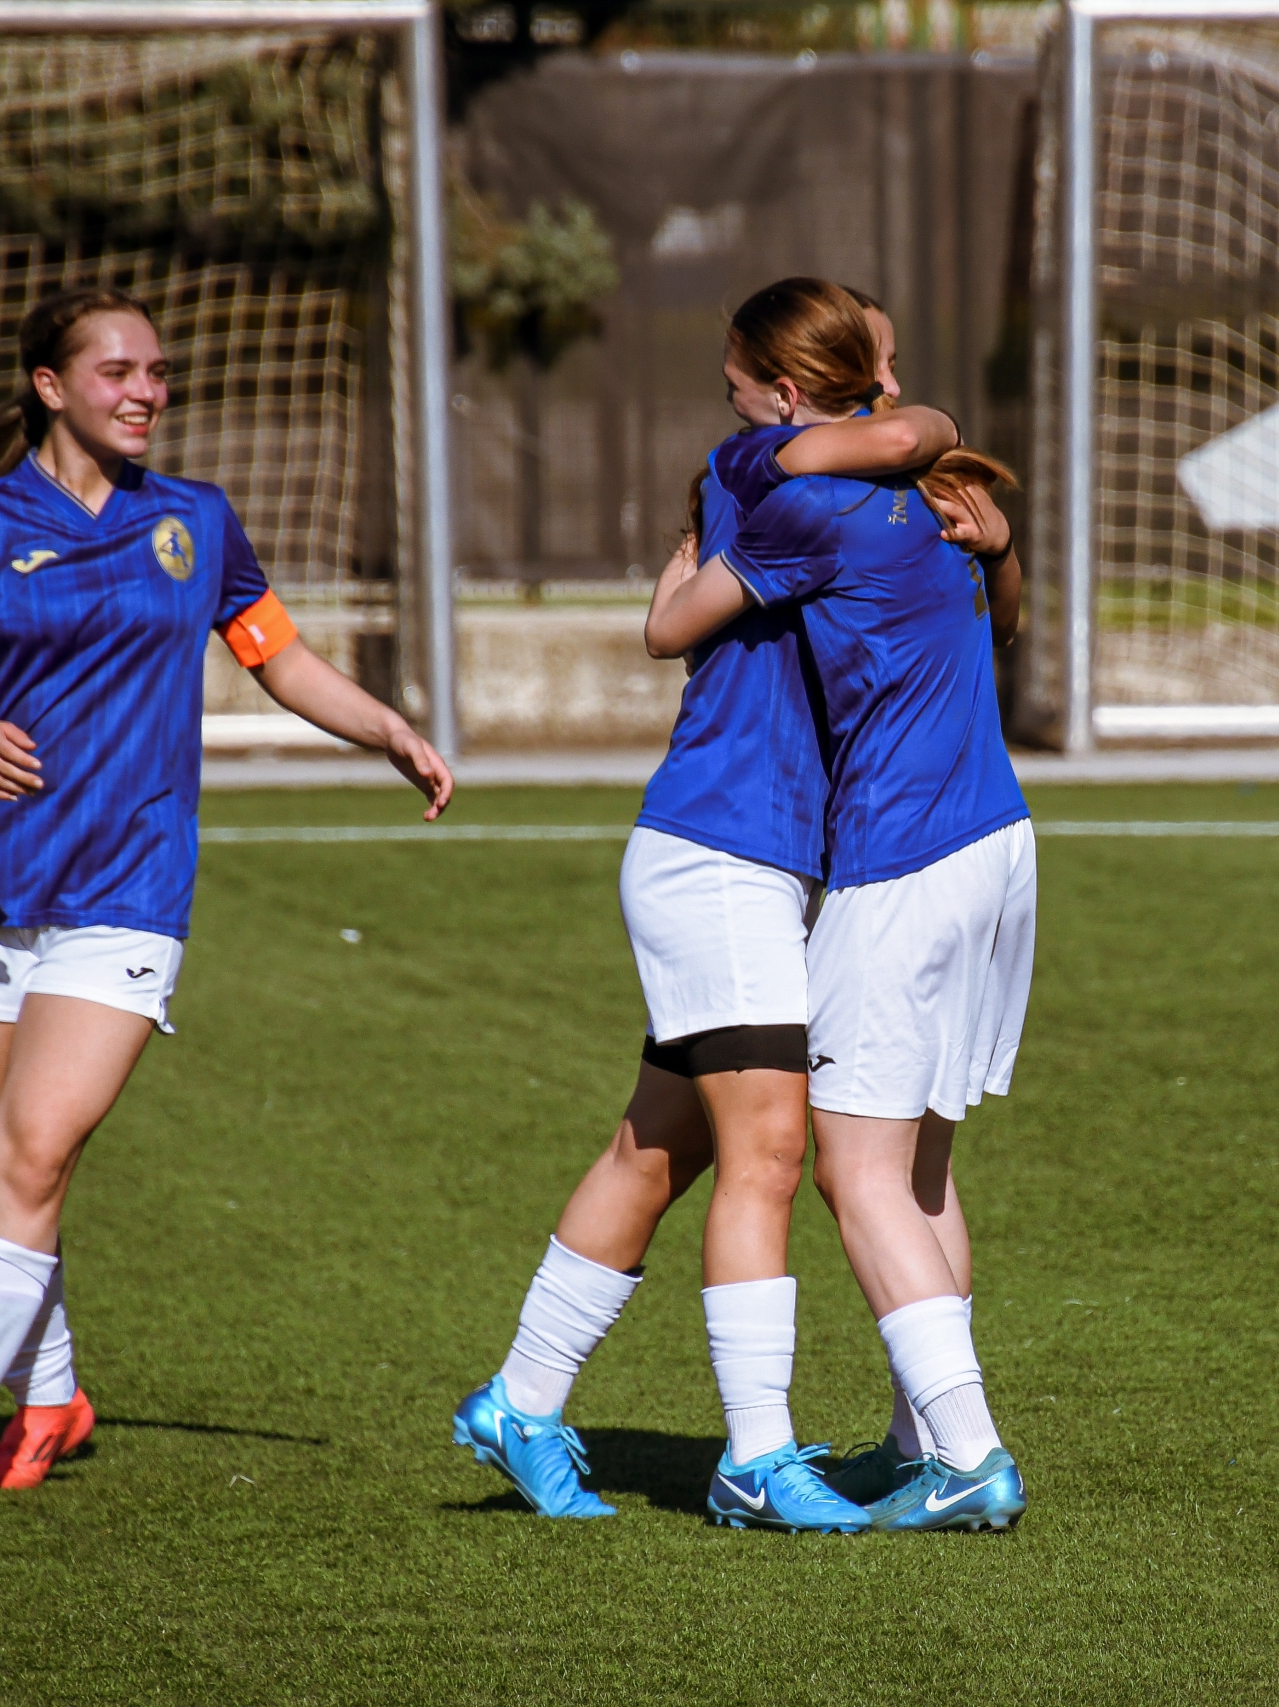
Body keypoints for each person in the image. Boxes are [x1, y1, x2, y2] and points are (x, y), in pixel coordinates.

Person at [0, 285, 452, 1503]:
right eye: (118, 371)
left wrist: (387, 728)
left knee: (33, 1153)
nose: (146, 392)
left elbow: (277, 653)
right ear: (51, 387)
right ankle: (53, 1393)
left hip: (128, 890)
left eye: (158, 371)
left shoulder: (195, 520)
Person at [451, 281, 993, 1530]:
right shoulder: (764, 466)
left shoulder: (841, 486)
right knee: (772, 1152)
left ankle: (519, 1402)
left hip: (761, 860)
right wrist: (914, 430)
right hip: (719, 853)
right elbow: (899, 434)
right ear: (803, 396)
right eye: (876, 365)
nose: (894, 388)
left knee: (657, 1149)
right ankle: (757, 1455)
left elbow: (909, 442)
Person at [645, 286, 1032, 1532]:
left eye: (736, 388)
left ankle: (968, 1452)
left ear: (783, 393)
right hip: (1000, 841)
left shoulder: (792, 494)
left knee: (853, 1172)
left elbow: (669, 629)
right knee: (918, 1163)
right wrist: (994, 541)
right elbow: (1005, 622)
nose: (731, 408)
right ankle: (919, 1449)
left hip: (902, 855)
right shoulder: (945, 486)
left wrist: (695, 540)